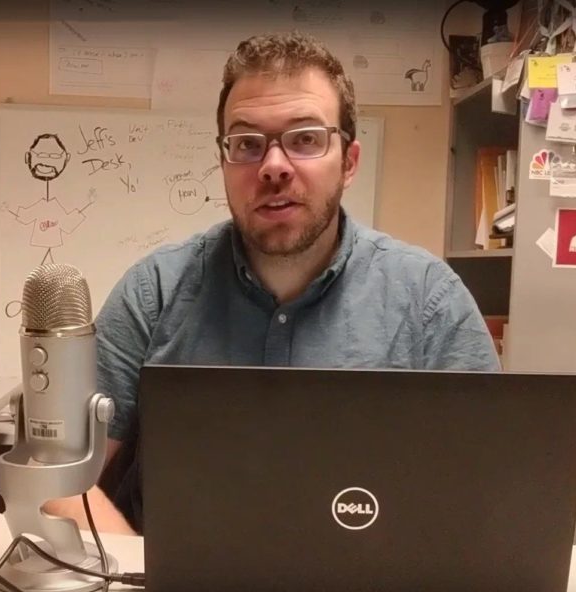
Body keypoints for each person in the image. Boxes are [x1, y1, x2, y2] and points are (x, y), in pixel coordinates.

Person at [43, 31, 500, 534]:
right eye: (247, 144)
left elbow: (485, 490)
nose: (274, 167)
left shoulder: (429, 301)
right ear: (224, 162)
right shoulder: (154, 292)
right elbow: (57, 476)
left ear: (348, 163)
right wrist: (141, 580)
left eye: (305, 139)